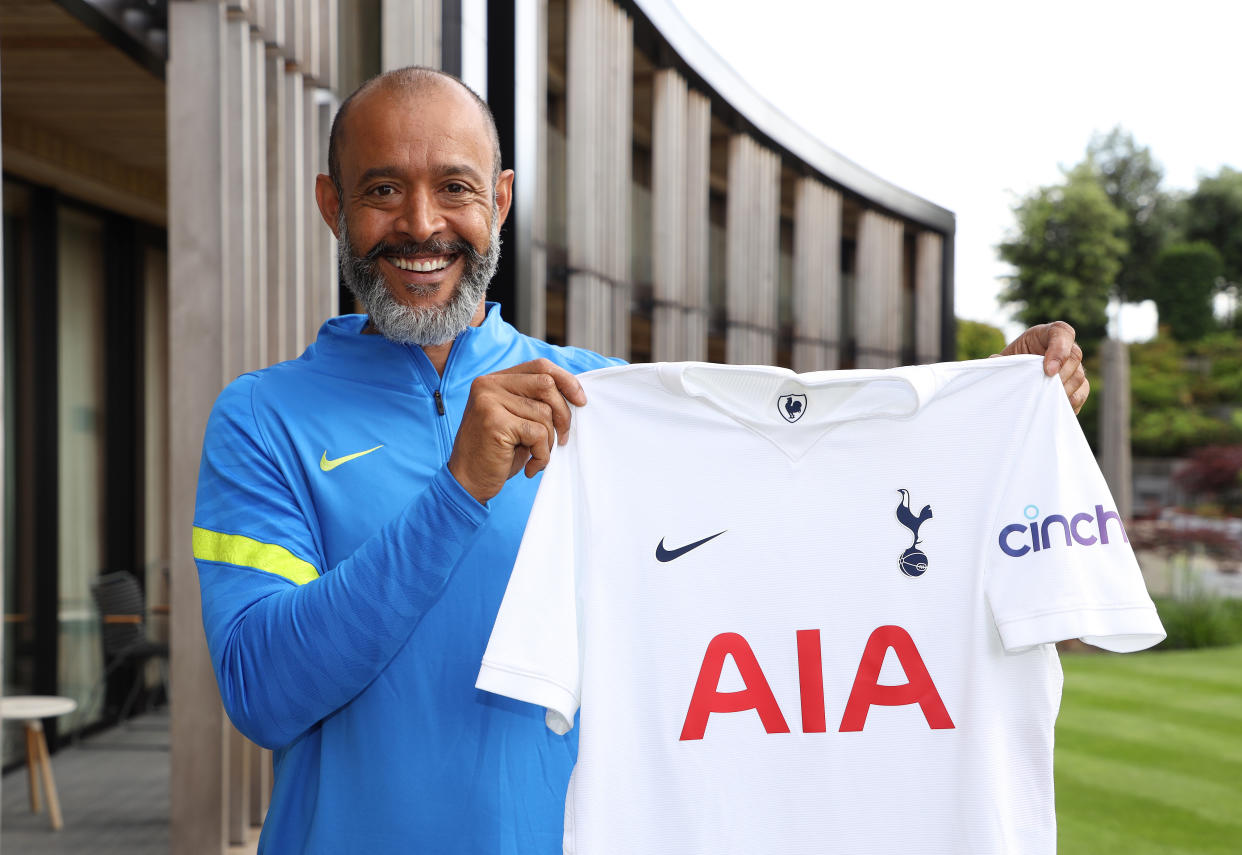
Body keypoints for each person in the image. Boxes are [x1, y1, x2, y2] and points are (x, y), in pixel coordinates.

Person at [192, 66, 1089, 854]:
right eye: (383, 189)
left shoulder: (609, 406)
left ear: (500, 201)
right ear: (331, 205)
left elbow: (814, 530)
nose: (422, 224)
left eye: (454, 188)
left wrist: (984, 423)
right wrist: (459, 490)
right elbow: (264, 692)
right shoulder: (262, 418)